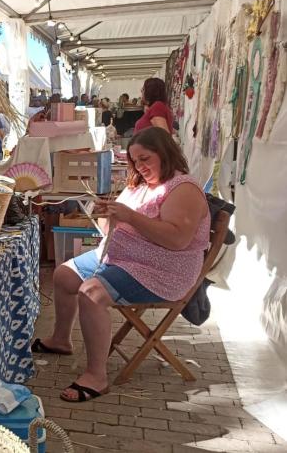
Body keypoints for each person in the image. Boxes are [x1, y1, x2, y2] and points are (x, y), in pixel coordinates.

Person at [35, 127, 209, 402]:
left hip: (162, 269)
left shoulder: (183, 188)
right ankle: (61, 339)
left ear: (165, 153)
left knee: (92, 294)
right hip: (122, 258)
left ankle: (96, 376)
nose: (140, 167)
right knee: (64, 275)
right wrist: (106, 215)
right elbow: (112, 230)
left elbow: (177, 239)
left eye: (145, 159)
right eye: (135, 161)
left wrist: (130, 216)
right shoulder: (139, 186)